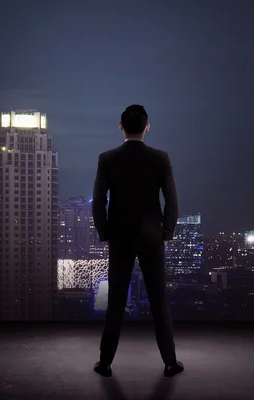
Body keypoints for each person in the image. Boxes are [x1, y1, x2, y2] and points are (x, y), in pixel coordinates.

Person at [91, 104, 184, 378]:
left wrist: (105, 233)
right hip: (151, 237)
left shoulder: (106, 159)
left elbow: (99, 202)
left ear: (121, 127)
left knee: (116, 302)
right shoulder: (161, 158)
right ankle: (170, 363)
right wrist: (166, 234)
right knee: (158, 301)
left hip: (119, 237)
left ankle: (105, 363)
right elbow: (172, 202)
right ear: (147, 127)